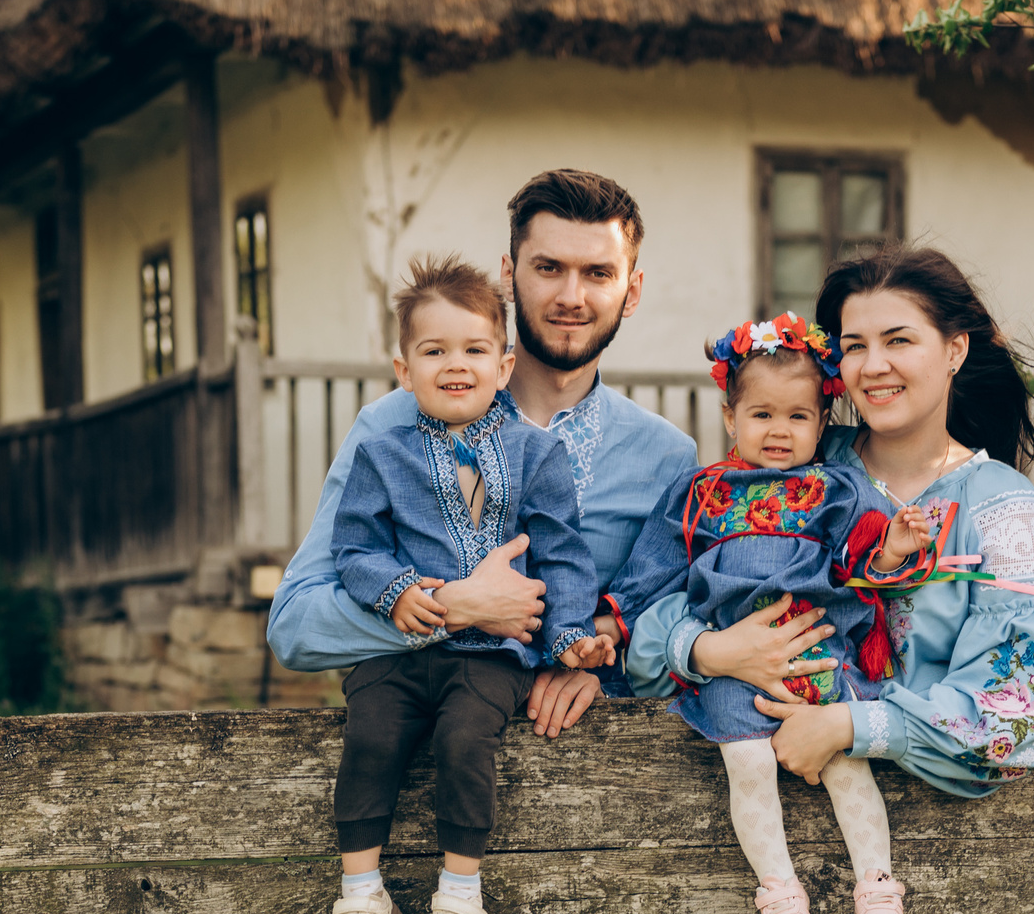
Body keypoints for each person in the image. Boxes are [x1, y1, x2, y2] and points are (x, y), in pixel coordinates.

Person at [269, 170, 751, 736]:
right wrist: (454, 609)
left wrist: (601, 667)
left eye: (598, 273)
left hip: (594, 784)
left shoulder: (667, 455)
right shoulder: (391, 424)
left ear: (632, 291)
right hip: (428, 772)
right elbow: (293, 625)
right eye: (548, 268)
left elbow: (669, 619)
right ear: (508, 275)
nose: (571, 296)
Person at [627, 246, 1034, 797]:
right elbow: (651, 616)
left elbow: (1019, 706)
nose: (872, 365)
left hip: (934, 834)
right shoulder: (791, 463)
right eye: (855, 346)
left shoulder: (1001, 502)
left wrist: (848, 725)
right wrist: (710, 651)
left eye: (899, 340)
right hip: (750, 820)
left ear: (955, 349)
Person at [324, 257, 612, 914]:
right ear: (403, 367)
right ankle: (361, 895)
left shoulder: (535, 453)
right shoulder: (380, 454)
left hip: (490, 659)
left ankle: (460, 897)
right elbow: (352, 546)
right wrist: (393, 591)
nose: (456, 364)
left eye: (475, 349)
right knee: (370, 734)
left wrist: (571, 632)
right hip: (398, 652)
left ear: (504, 363)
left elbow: (565, 554)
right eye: (435, 351)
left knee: (463, 740)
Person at [611, 313, 936, 914]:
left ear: (822, 421)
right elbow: (651, 570)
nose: (779, 431)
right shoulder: (701, 492)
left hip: (820, 653)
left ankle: (876, 884)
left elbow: (860, 561)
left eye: (798, 416)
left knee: (848, 765)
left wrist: (893, 545)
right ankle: (779, 889)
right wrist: (610, 621)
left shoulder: (835, 489)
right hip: (733, 665)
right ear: (731, 416)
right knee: (749, 761)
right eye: (761, 415)